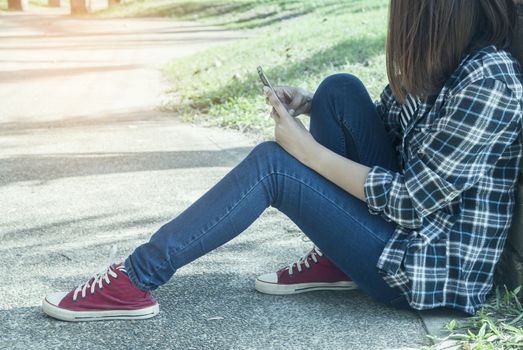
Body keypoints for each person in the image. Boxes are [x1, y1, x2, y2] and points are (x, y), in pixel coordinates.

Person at [42, 0, 522, 321]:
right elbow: (387, 128)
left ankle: (134, 279)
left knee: (274, 164)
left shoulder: (489, 81)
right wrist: (309, 103)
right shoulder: (448, 61)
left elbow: (412, 201)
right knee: (339, 90)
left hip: (428, 269)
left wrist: (306, 153)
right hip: (406, 235)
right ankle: (340, 261)